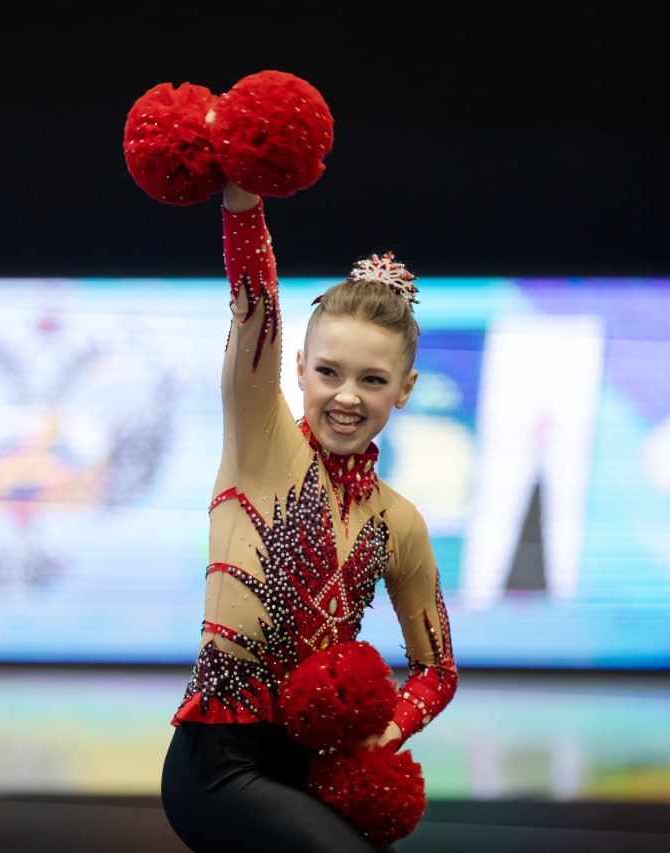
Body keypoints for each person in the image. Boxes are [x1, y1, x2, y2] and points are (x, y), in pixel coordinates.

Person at [159, 181, 458, 852]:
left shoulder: (398, 521)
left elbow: (437, 670)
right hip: (218, 764)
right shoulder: (261, 444)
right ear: (297, 367)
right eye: (329, 372)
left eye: (373, 380)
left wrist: (383, 731)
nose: (347, 397)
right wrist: (243, 203)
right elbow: (253, 304)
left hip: (317, 772)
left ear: (405, 389)